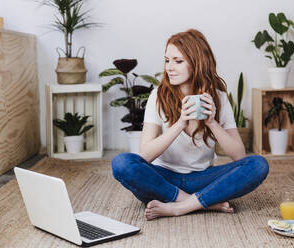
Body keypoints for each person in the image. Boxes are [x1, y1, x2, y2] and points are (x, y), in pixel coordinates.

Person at [112, 29, 269, 221]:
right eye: (167, 60)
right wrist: (179, 124)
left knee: (258, 165)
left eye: (178, 61)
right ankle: (199, 202)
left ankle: (179, 207)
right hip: (163, 179)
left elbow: (239, 155)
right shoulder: (158, 96)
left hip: (202, 179)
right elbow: (145, 155)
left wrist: (212, 122)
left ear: (197, 63)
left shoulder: (218, 98)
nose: (170, 67)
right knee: (121, 163)